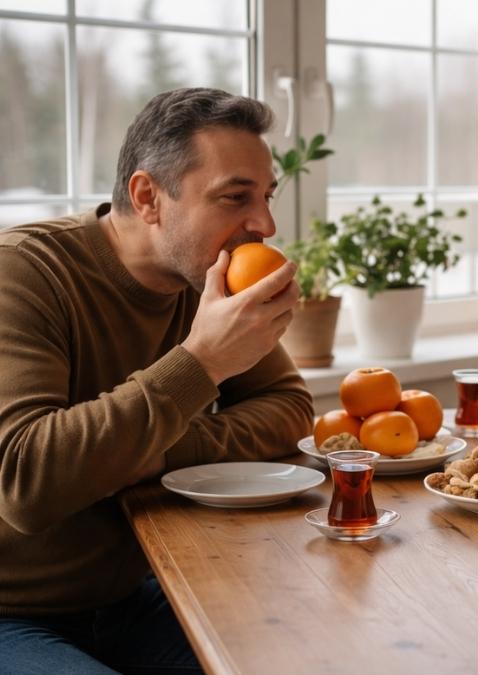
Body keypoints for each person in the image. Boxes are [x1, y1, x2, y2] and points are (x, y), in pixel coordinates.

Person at [0, 88, 313, 674]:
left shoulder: (205, 278)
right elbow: (25, 481)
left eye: (266, 197)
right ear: (148, 197)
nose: (265, 225)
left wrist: (146, 453)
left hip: (136, 593)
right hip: (13, 611)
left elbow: (290, 408)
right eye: (234, 197)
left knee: (305, 657)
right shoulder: (22, 272)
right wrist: (201, 362)